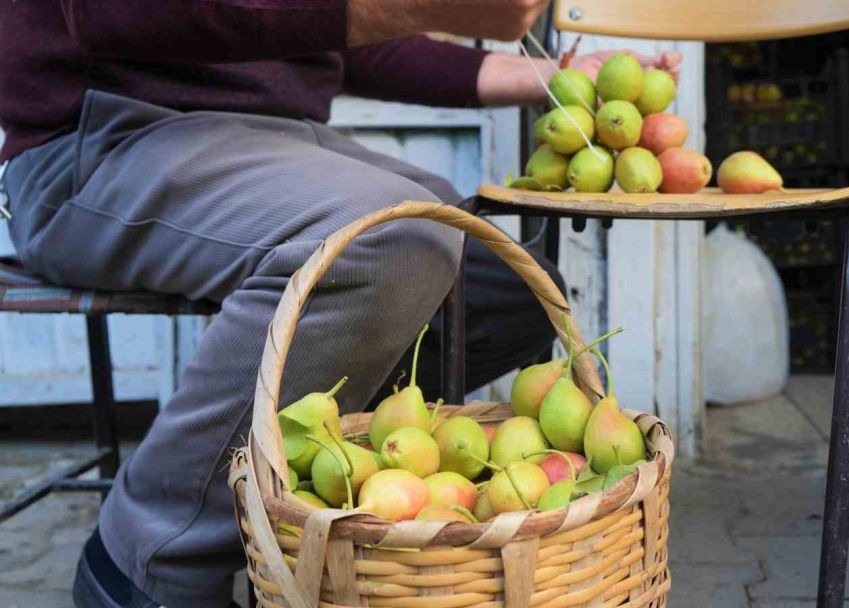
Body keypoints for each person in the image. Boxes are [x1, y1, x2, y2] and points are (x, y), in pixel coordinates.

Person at [0, 2, 680, 606]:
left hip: (273, 138)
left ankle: (330, 511)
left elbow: (331, 38)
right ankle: (148, 558)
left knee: (501, 288)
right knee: (389, 244)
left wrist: (550, 80)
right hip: (102, 141)